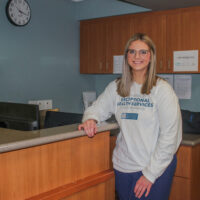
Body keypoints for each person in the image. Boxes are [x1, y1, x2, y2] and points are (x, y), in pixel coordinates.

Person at [78, 33, 182, 200]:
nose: (137, 56)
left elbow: (171, 137)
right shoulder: (117, 87)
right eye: (132, 52)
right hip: (123, 166)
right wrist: (91, 118)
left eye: (143, 52)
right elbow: (95, 108)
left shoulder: (162, 90)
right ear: (126, 56)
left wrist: (150, 174)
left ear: (151, 56)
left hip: (154, 167)